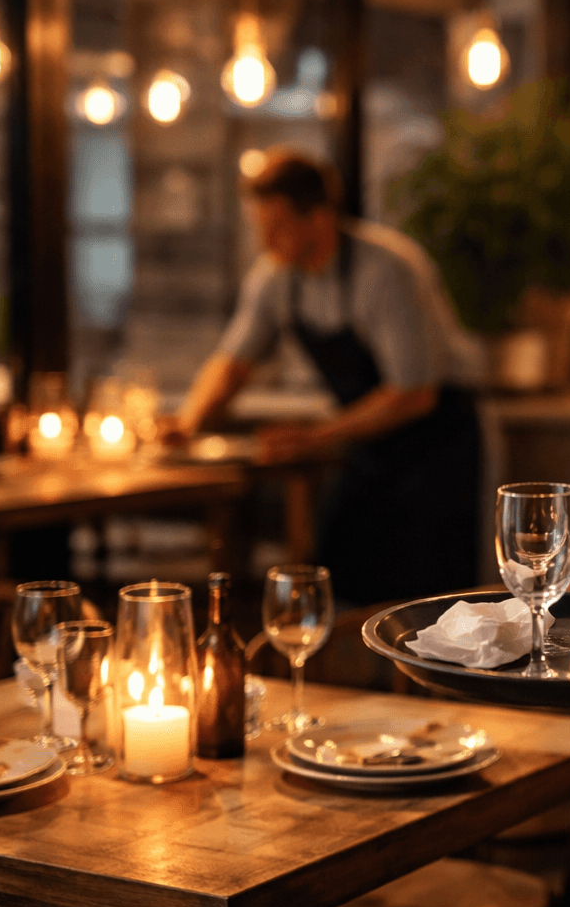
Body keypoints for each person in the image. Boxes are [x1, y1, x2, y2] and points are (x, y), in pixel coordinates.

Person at [170, 151, 485, 605]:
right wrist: (187, 422)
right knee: (338, 577)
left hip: (436, 445)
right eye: (261, 226)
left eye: (277, 228)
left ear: (319, 219)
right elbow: (232, 364)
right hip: (367, 444)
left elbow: (414, 394)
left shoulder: (386, 271)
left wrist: (317, 436)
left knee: (432, 603)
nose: (265, 240)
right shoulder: (275, 278)